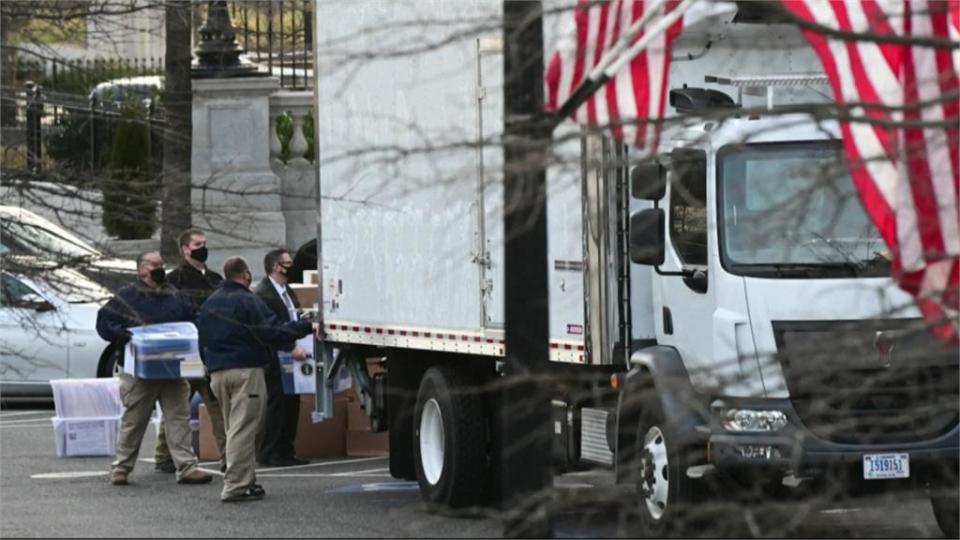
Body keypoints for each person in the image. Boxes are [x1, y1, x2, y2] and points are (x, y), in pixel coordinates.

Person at [198, 256, 317, 503]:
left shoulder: (210, 302)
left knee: (234, 427)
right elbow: (271, 331)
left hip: (217, 372)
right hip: (245, 370)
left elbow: (201, 340)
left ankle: (246, 480)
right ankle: (236, 485)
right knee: (244, 429)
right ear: (246, 275)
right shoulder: (248, 300)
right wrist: (305, 327)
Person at [95, 250, 212, 487]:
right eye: (153, 265)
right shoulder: (127, 296)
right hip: (140, 371)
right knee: (134, 420)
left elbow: (195, 318)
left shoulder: (174, 295)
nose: (159, 269)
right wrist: (121, 335)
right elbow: (104, 322)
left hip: (173, 369)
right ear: (140, 269)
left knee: (178, 418)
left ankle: (187, 467)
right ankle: (122, 467)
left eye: (161, 264)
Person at [153, 228, 228, 474]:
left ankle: (228, 456)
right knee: (179, 404)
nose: (202, 247)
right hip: (189, 352)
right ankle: (164, 455)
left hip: (212, 349)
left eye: (204, 243)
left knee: (217, 405)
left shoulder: (216, 279)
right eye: (197, 244)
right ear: (185, 249)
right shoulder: (175, 280)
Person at [255, 248, 309, 467]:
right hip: (276, 357)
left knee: (291, 404)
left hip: (291, 360)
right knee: (276, 406)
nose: (291, 266)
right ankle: (270, 452)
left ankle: (287, 450)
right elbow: (270, 327)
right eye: (287, 262)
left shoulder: (287, 291)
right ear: (275, 266)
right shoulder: (264, 293)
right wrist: (289, 346)